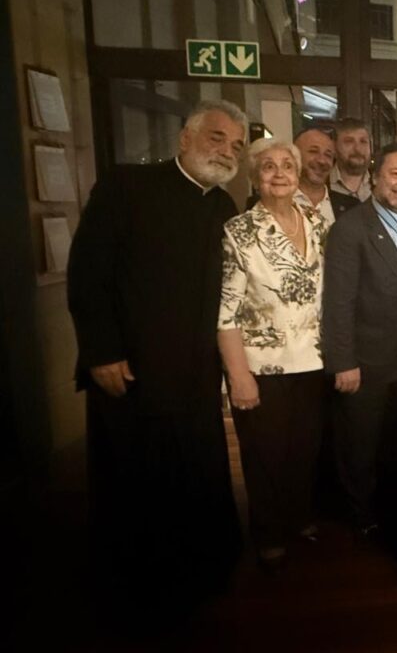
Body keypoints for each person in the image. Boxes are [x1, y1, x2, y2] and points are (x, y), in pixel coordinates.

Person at [66, 99, 246, 610]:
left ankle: (202, 574)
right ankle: (137, 589)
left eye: (236, 146)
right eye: (217, 138)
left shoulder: (223, 208)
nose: (227, 151)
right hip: (131, 371)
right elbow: (88, 273)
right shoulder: (126, 187)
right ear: (185, 138)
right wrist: (101, 351)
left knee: (197, 474)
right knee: (136, 484)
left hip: (194, 375)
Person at [218, 138, 328, 572]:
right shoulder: (239, 231)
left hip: (314, 359)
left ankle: (298, 517)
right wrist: (238, 375)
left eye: (287, 166)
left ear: (298, 175)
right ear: (254, 177)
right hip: (262, 364)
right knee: (265, 454)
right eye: (268, 167)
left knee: (305, 448)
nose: (279, 173)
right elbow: (225, 313)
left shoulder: (316, 221)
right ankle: (267, 533)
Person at [322, 143, 397, 539]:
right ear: (375, 177)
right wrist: (343, 362)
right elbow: (338, 301)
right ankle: (361, 517)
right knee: (359, 446)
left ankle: (388, 508)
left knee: (393, 442)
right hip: (365, 360)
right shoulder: (350, 229)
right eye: (396, 174)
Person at [244, 126, 354, 225]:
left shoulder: (352, 206)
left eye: (328, 155)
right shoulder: (259, 205)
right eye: (313, 151)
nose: (322, 160)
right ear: (296, 157)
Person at [329, 117, 373, 208]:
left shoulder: (382, 184)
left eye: (363, 141)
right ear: (334, 146)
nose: (358, 149)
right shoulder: (321, 185)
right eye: (349, 142)